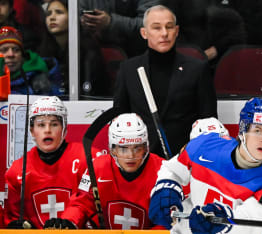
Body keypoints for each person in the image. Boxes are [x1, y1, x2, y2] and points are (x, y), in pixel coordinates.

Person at [149, 97, 262, 234]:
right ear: (243, 130)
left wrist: (222, 220)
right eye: (258, 131)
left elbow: (249, 224)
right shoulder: (204, 145)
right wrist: (166, 188)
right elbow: (172, 170)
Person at [113, 5, 217, 158]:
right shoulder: (128, 69)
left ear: (177, 31)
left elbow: (208, 121)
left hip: (185, 160)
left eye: (169, 27)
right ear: (144, 33)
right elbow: (120, 118)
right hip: (142, 160)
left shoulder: (197, 69)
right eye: (156, 28)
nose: (164, 33)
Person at [43, 113, 165, 230]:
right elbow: (81, 203)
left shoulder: (163, 171)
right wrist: (69, 222)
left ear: (145, 148)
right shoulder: (96, 167)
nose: (130, 156)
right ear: (113, 149)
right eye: (123, 149)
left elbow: (167, 220)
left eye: (137, 148)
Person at [4, 96, 101, 229]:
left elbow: (89, 202)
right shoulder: (17, 171)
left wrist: (70, 223)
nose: (47, 130)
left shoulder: (89, 158)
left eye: (54, 124)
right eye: (41, 125)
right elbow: (11, 218)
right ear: (32, 131)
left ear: (64, 129)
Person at [36, 0, 111, 98]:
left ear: (72, 17)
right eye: (48, 14)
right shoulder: (42, 52)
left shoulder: (88, 52)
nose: (52, 17)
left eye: (59, 12)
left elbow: (91, 94)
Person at [161, 0, 246, 66]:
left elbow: (240, 29)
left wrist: (216, 49)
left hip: (226, 57)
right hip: (187, 58)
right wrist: (192, 54)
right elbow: (168, 26)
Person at [79, 0, 159, 57]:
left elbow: (150, 25)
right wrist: (82, 21)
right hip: (95, 58)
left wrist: (111, 22)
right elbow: (73, 16)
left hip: (138, 56)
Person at [0, 26, 63, 96]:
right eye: (4, 50)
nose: (11, 54)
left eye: (16, 50)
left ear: (22, 55)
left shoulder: (40, 81)